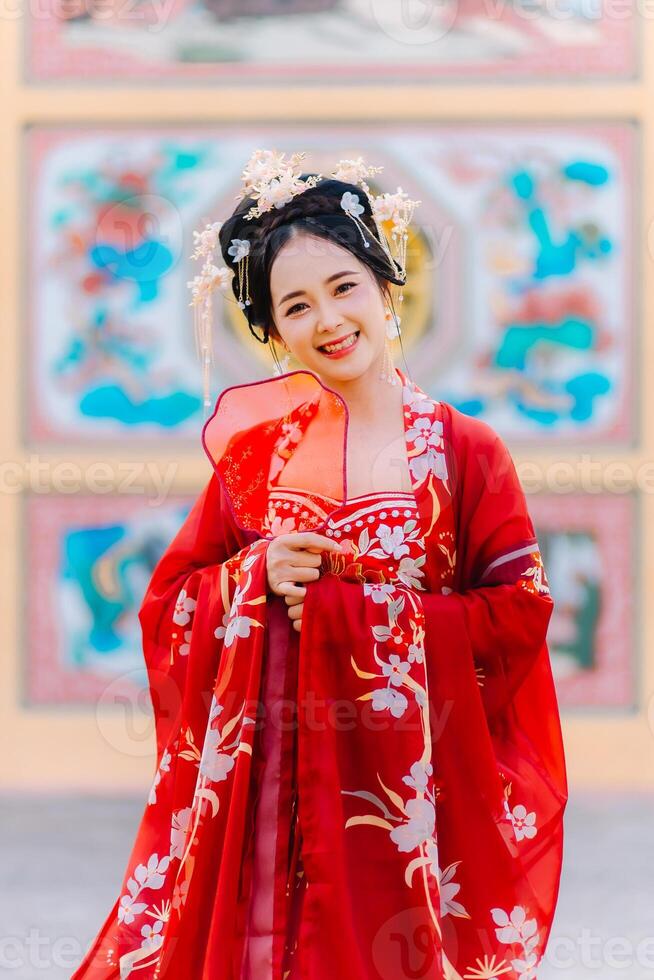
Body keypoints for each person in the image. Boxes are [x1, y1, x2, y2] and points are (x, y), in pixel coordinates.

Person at [71, 150, 568, 980]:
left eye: (344, 287)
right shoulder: (257, 459)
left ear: (386, 287)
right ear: (269, 332)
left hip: (410, 794)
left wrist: (364, 616)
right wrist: (251, 578)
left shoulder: (463, 452)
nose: (329, 320)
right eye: (295, 306)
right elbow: (169, 604)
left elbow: (520, 611)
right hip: (266, 799)